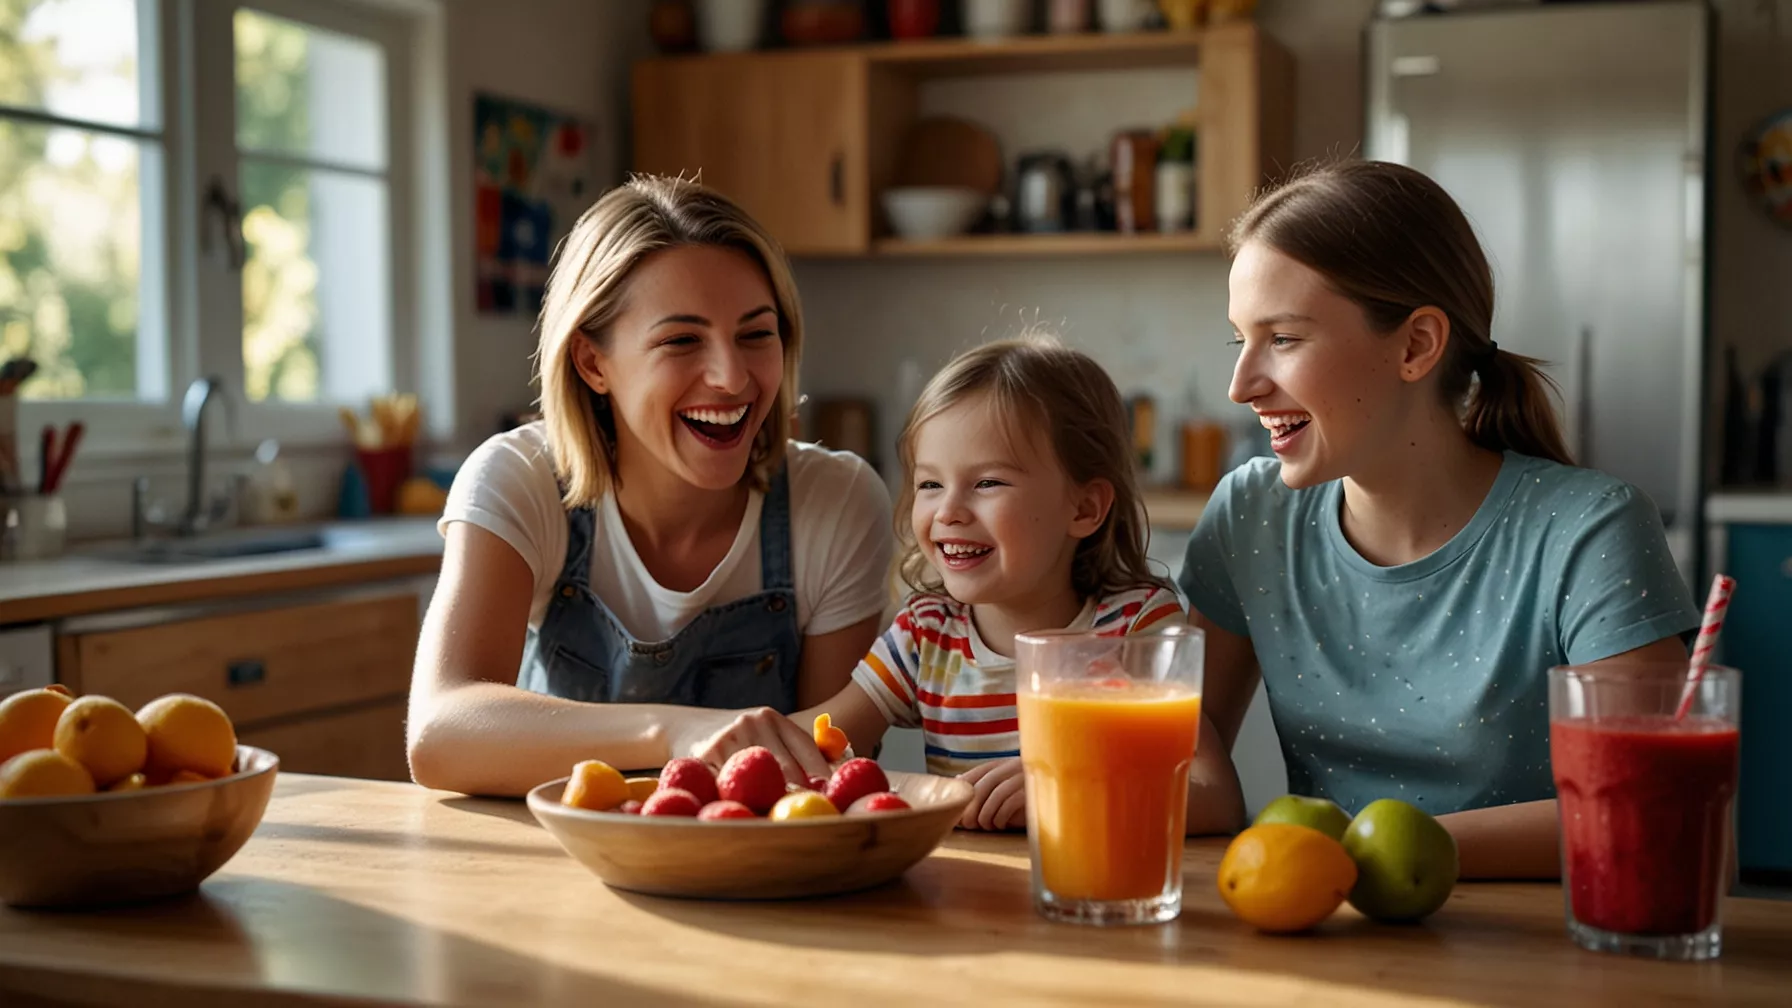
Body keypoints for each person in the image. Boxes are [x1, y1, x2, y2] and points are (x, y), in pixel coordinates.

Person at [1177, 160, 1700, 877]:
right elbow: (1180, 755)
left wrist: (1377, 853)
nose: (1241, 386)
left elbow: (1668, 817)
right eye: (1241, 341)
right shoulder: (1250, 514)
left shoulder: (1588, 532)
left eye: (1285, 339)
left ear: (1417, 345)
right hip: (1331, 937)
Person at [406, 176, 894, 796]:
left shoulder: (838, 502)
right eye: (681, 340)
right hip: (558, 868)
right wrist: (673, 735)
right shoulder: (518, 479)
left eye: (755, 333)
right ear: (592, 363)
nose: (731, 376)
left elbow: (825, 765)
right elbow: (440, 734)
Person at [699, 336, 1186, 831]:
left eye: (988, 483)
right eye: (930, 484)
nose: (948, 512)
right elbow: (830, 738)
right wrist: (736, 751)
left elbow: (1212, 791)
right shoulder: (926, 635)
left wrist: (1069, 788)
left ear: (1083, 508)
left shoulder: (1139, 632)